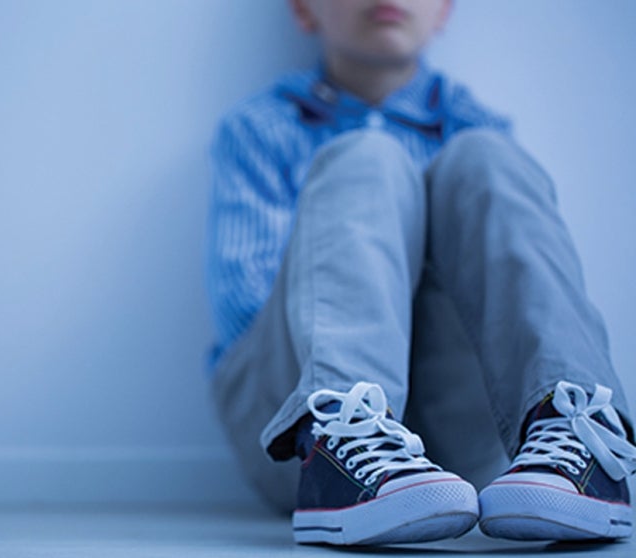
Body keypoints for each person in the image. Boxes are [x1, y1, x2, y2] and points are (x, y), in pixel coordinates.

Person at [205, 0, 636, 546]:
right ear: (304, 10)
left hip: (458, 421)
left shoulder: (480, 127)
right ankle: (344, 439)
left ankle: (575, 429)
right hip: (290, 420)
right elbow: (245, 309)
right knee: (366, 159)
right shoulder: (262, 128)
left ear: (445, 11)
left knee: (486, 158)